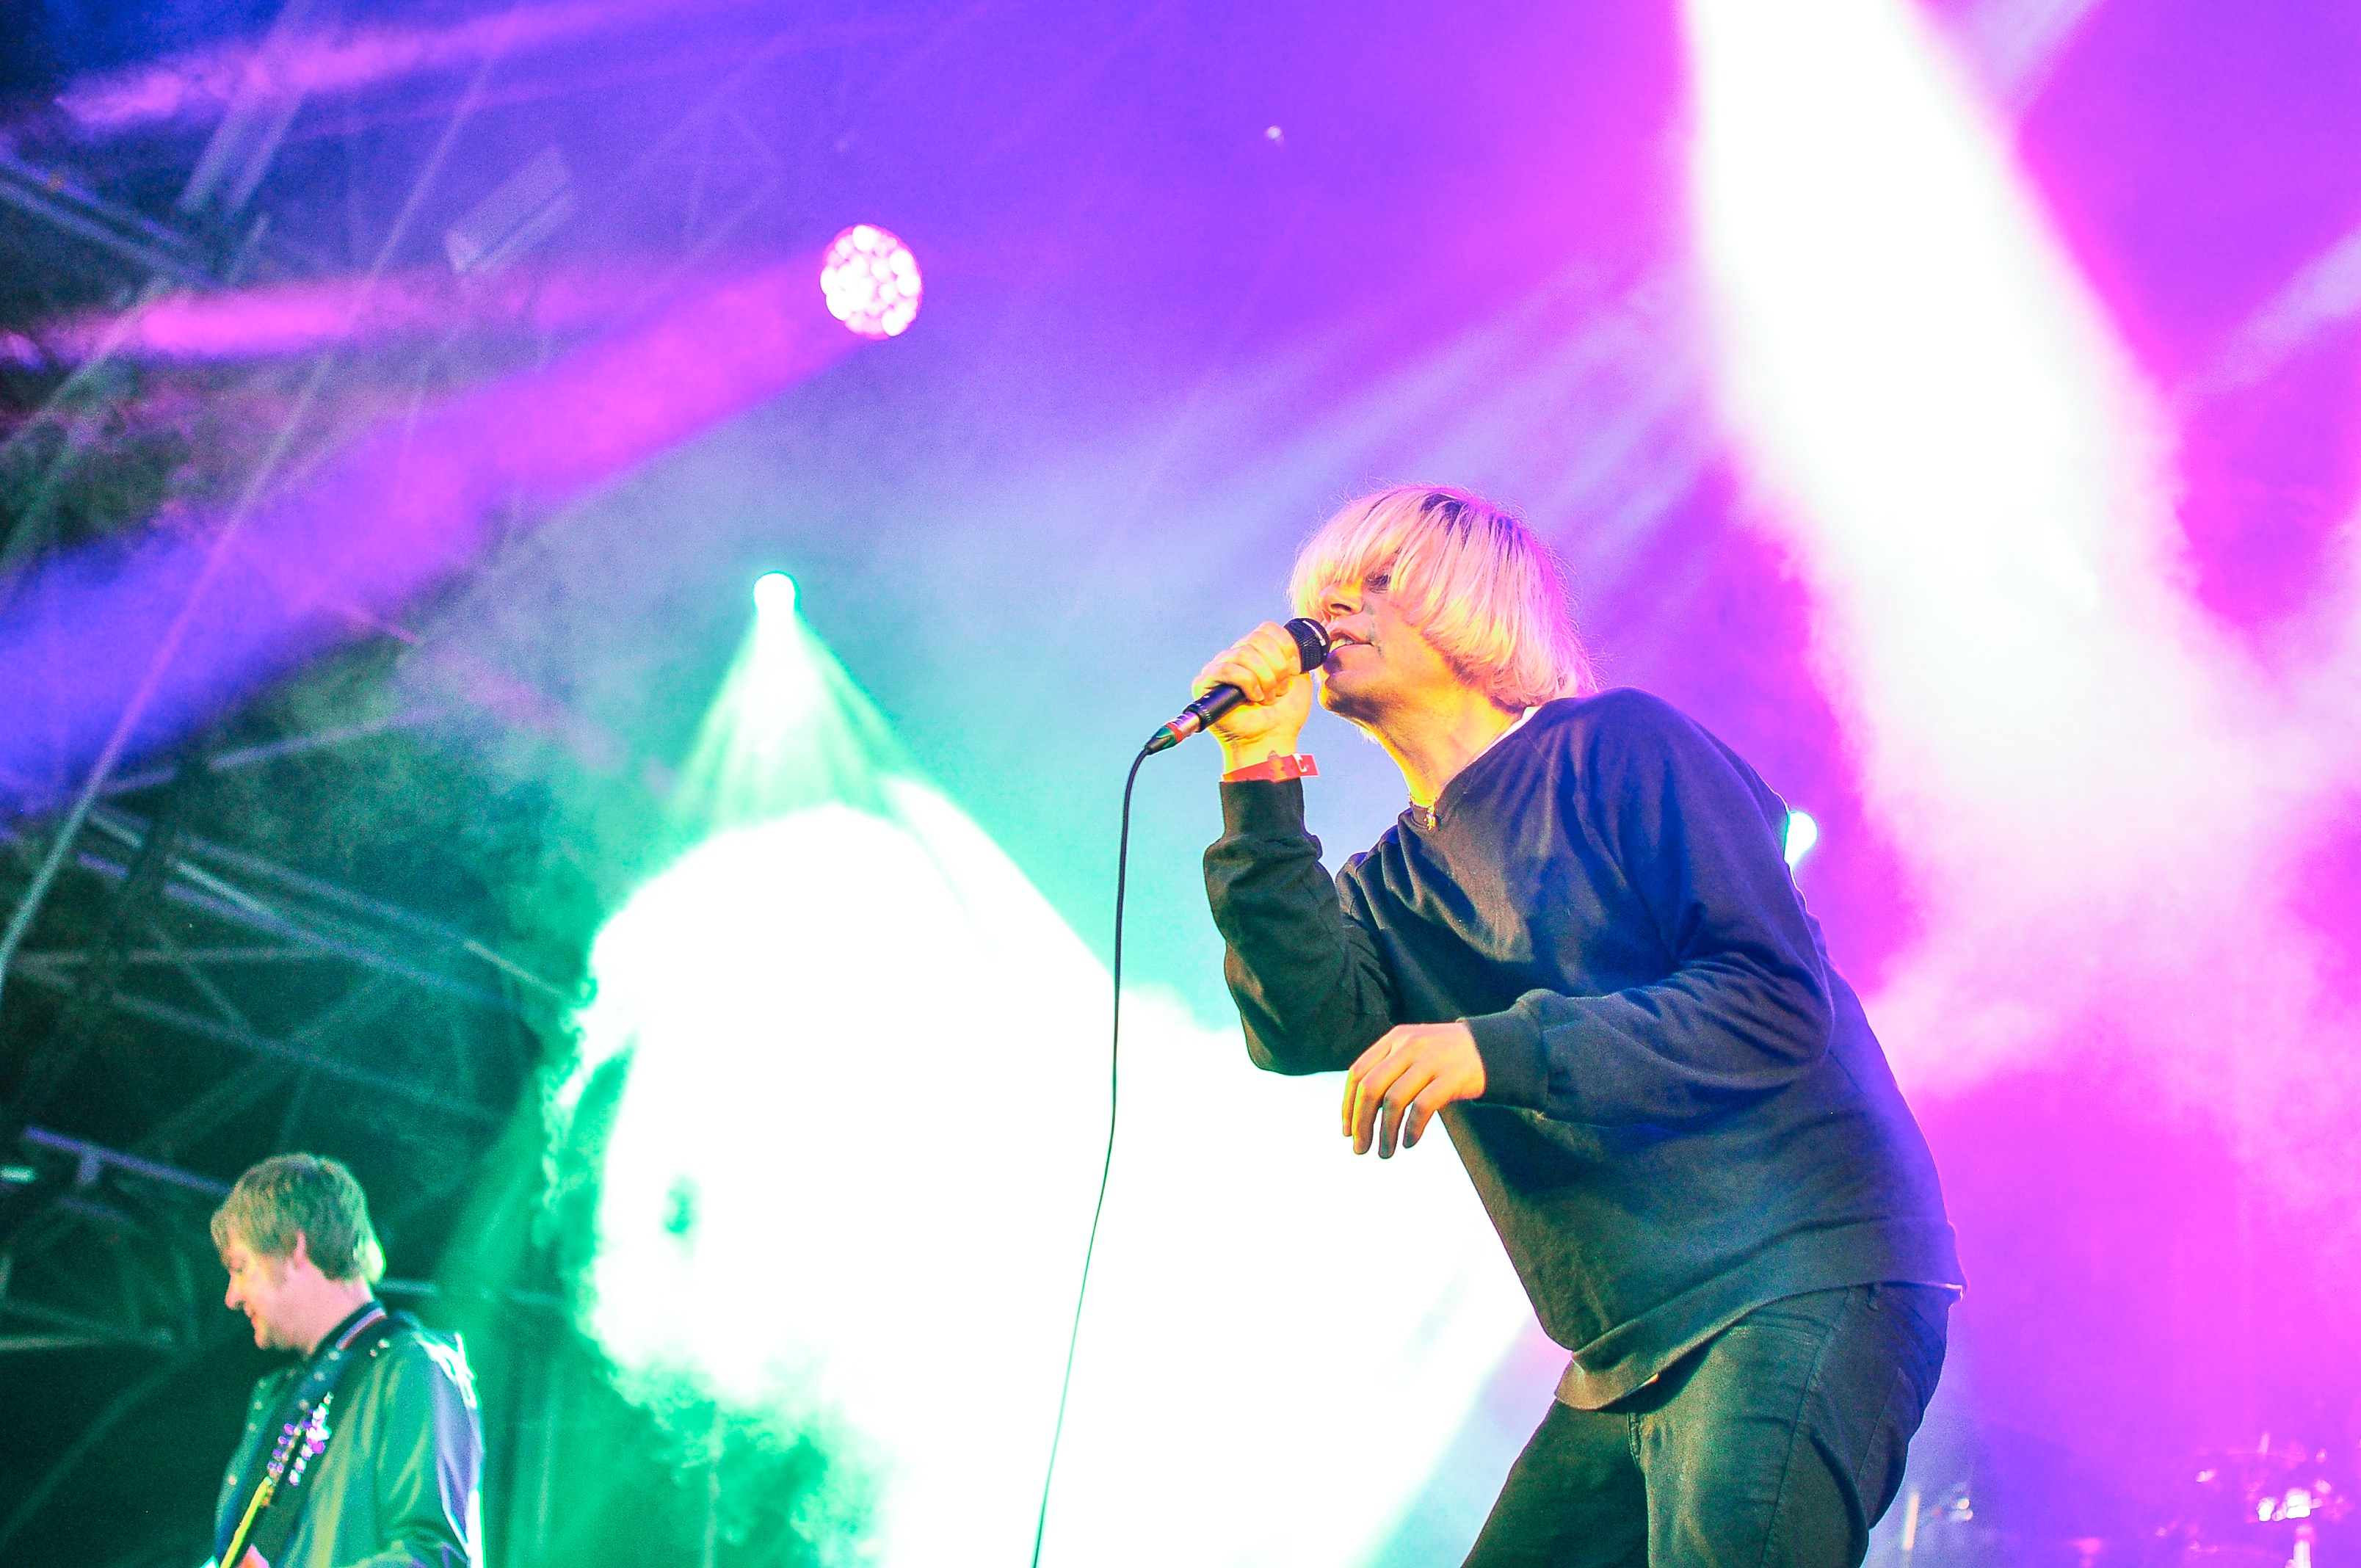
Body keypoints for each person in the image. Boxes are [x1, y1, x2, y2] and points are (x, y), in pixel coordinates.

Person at [1195, 487, 1965, 1566]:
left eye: (1377, 581)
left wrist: (1492, 1047)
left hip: (1798, 1279)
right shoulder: (1389, 887)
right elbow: (1301, 1024)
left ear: (1474, 605)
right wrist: (1257, 772)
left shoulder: (1621, 749)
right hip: (1622, 1352)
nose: (1335, 613)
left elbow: (1772, 999)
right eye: (1324, 594)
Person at [205, 1153, 482, 1568]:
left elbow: (433, 1557)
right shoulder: (278, 1395)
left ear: (294, 1248)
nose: (232, 1296)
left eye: (241, 1268)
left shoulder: (415, 1368)